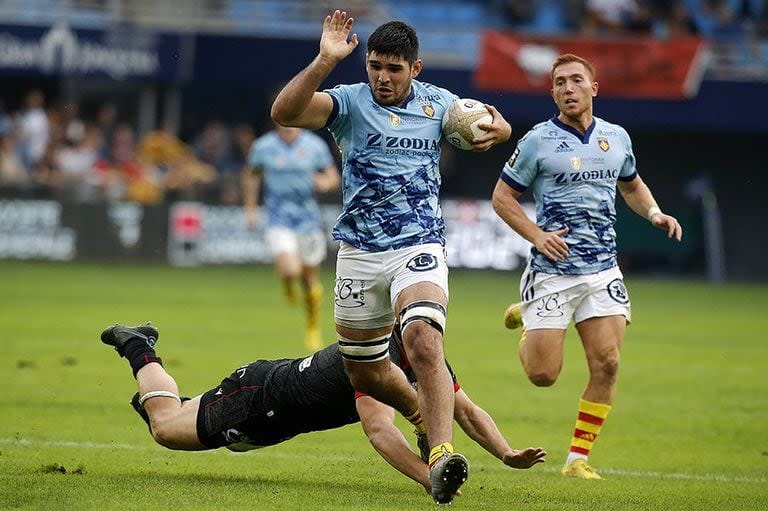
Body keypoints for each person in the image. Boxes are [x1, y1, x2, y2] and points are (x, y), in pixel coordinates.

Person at [270, 10, 513, 503]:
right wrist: (323, 61)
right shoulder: (348, 103)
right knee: (365, 372)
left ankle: (442, 453)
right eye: (375, 65)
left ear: (415, 69)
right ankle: (423, 415)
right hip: (359, 253)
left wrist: (500, 129)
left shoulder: (440, 106)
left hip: (418, 244)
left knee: (423, 338)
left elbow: (489, 125)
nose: (382, 77)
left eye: (393, 68)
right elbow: (285, 113)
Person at [491, 53, 682, 480]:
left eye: (576, 80)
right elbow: (502, 198)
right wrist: (537, 236)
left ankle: (577, 458)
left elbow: (632, 186)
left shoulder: (616, 137)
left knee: (608, 362)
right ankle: (527, 319)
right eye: (559, 82)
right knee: (543, 375)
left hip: (601, 270)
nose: (568, 88)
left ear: (593, 88)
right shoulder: (538, 141)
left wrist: (655, 214)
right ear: (553, 91)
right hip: (553, 272)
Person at [99, 322, 546, 496]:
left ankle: (157, 383)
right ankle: (138, 346)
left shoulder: (425, 355)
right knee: (165, 427)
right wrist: (427, 476)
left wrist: (506, 454)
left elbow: (465, 410)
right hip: (260, 399)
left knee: (175, 416)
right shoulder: (372, 361)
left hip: (283, 420)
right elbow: (378, 429)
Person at [243, 122, 340, 350]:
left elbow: (332, 177)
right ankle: (287, 280)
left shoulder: (314, 145)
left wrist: (325, 183)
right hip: (278, 218)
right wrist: (250, 207)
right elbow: (251, 174)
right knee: (290, 269)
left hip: (308, 219)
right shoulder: (263, 146)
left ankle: (312, 328)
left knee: (309, 279)